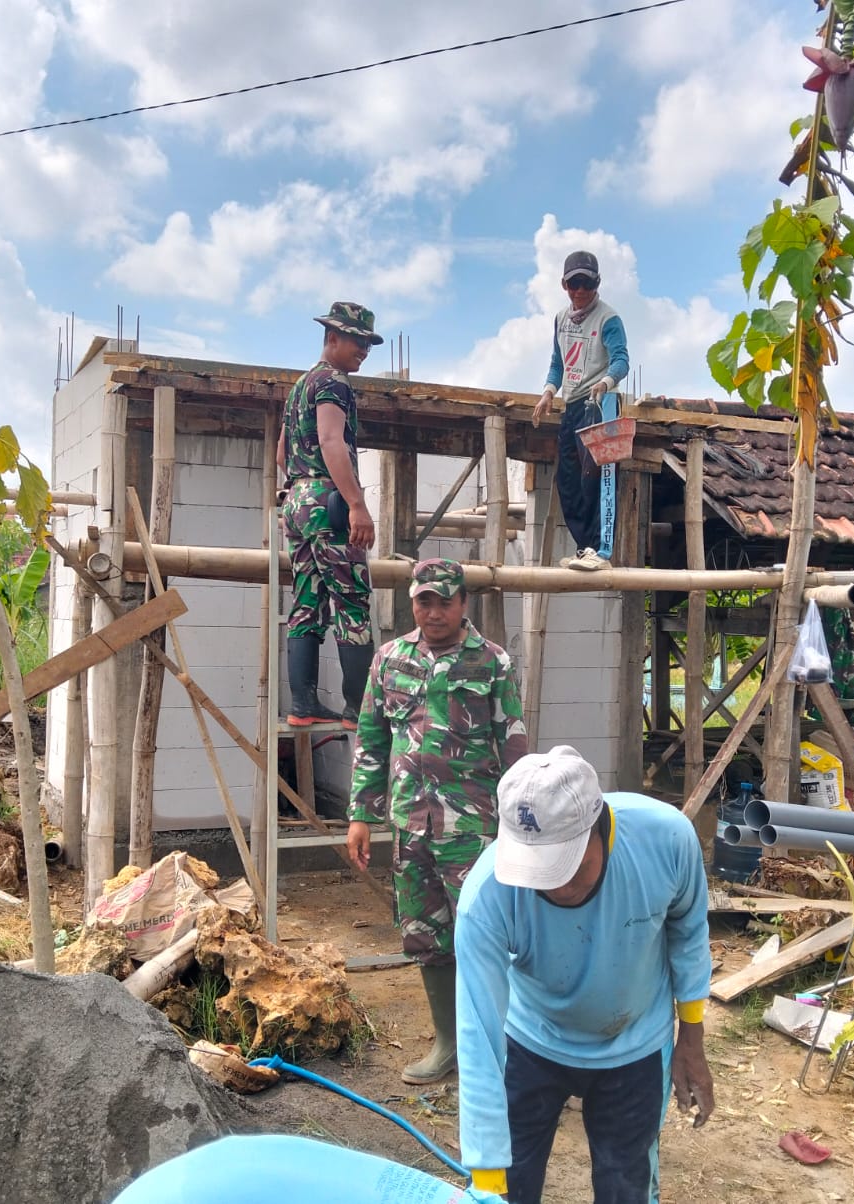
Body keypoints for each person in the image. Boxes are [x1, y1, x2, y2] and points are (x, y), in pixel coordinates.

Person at [454, 746, 716, 1204]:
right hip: (531, 1040)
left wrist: (690, 1039)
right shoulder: (487, 898)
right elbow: (478, 1041)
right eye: (538, 872)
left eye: (568, 867)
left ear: (601, 828)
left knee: (625, 1188)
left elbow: (690, 931)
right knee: (506, 1190)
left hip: (634, 1043)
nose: (555, 886)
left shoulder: (666, 840)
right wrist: (488, 1180)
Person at [347, 558, 528, 1085]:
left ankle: (507, 1054)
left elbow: (513, 744)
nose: (433, 611)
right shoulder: (389, 659)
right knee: (426, 936)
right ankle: (449, 1045)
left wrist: (522, 824)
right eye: (424, 601)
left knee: (489, 937)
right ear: (412, 603)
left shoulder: (491, 662)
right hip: (410, 827)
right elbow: (373, 739)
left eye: (444, 601)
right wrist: (362, 815)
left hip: (473, 831)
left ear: (463, 604)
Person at [277, 302, 382, 728]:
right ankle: (361, 709)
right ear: (332, 338)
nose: (364, 350)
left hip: (297, 500)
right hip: (328, 500)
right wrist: (356, 504)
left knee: (306, 602)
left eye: (368, 343)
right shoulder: (333, 382)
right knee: (352, 601)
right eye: (357, 341)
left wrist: (295, 490)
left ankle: (303, 705)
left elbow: (283, 450)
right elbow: (330, 439)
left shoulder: (299, 385)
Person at [532, 250, 630, 573]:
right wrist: (548, 392)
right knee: (569, 479)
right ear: (564, 285)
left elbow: (621, 359)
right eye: (574, 284)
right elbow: (557, 363)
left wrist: (606, 382)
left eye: (586, 284)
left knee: (598, 477)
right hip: (572, 403)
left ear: (596, 283)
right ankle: (584, 547)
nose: (580, 291)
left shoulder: (608, 318)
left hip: (600, 403)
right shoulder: (560, 319)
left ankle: (602, 551)